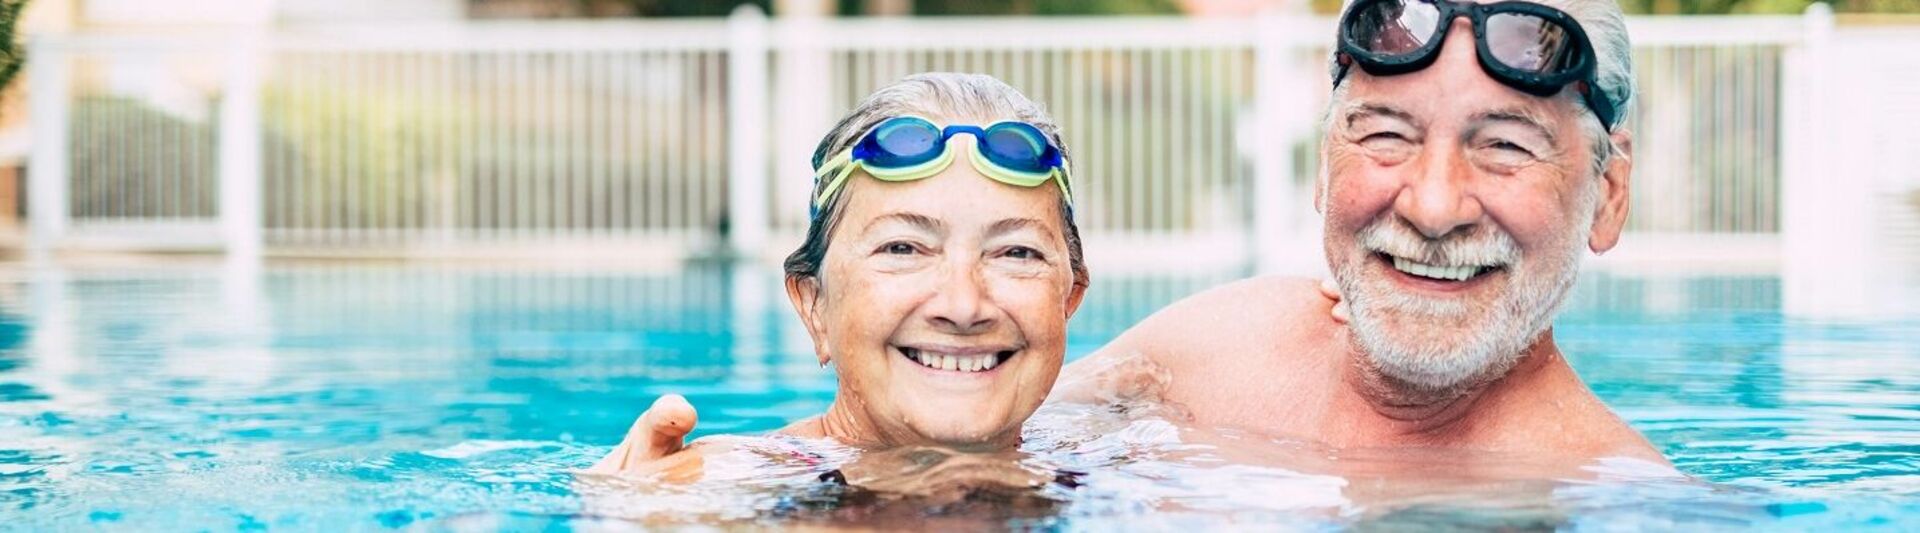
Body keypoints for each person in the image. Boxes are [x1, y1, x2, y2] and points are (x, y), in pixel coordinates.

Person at [614, 0, 1667, 473]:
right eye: (1385, 135)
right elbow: (949, 429)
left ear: (1609, 195)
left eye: (1503, 147)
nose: (1433, 205)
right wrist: (740, 482)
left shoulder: (1608, 499)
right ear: (1325, 165)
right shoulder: (1218, 345)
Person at [588, 72, 1090, 479]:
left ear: (1069, 300)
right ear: (814, 306)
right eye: (902, 248)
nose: (963, 306)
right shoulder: (737, 490)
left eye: (1016, 253)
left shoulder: (1126, 460)